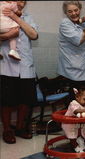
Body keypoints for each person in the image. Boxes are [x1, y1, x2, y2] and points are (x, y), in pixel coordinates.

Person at [0, 0, 38, 144]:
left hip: (26, 66)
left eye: (23, 1)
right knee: (7, 102)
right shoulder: (2, 12)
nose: (20, 2)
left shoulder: (28, 17)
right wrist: (7, 35)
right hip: (7, 65)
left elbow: (33, 35)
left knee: (25, 100)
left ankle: (21, 127)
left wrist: (16, 18)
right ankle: (7, 130)